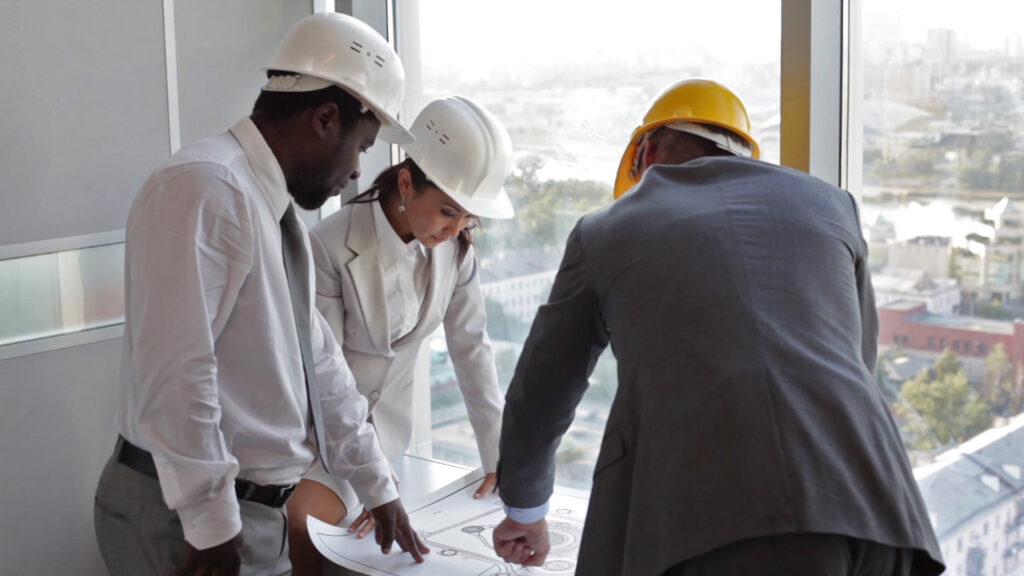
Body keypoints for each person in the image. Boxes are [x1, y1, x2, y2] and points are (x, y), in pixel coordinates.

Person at [491, 78, 946, 576]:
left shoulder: (605, 230)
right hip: (879, 510)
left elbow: (544, 388)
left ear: (646, 151)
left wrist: (525, 512)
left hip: (714, 524)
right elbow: (860, 359)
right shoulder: (832, 204)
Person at [93, 13, 429, 576]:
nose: (355, 173)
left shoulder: (264, 207)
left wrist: (377, 485)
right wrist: (212, 526)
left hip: (246, 515)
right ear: (325, 118)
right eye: (361, 146)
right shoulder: (205, 187)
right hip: (183, 518)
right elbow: (177, 372)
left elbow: (318, 364)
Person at [286, 95, 513, 576]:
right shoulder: (327, 246)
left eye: (468, 219)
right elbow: (326, 381)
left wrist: (497, 455)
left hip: (389, 438)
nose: (456, 229)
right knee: (305, 525)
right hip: (324, 441)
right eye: (448, 212)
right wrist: (376, 484)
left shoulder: (455, 251)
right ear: (407, 182)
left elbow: (472, 350)